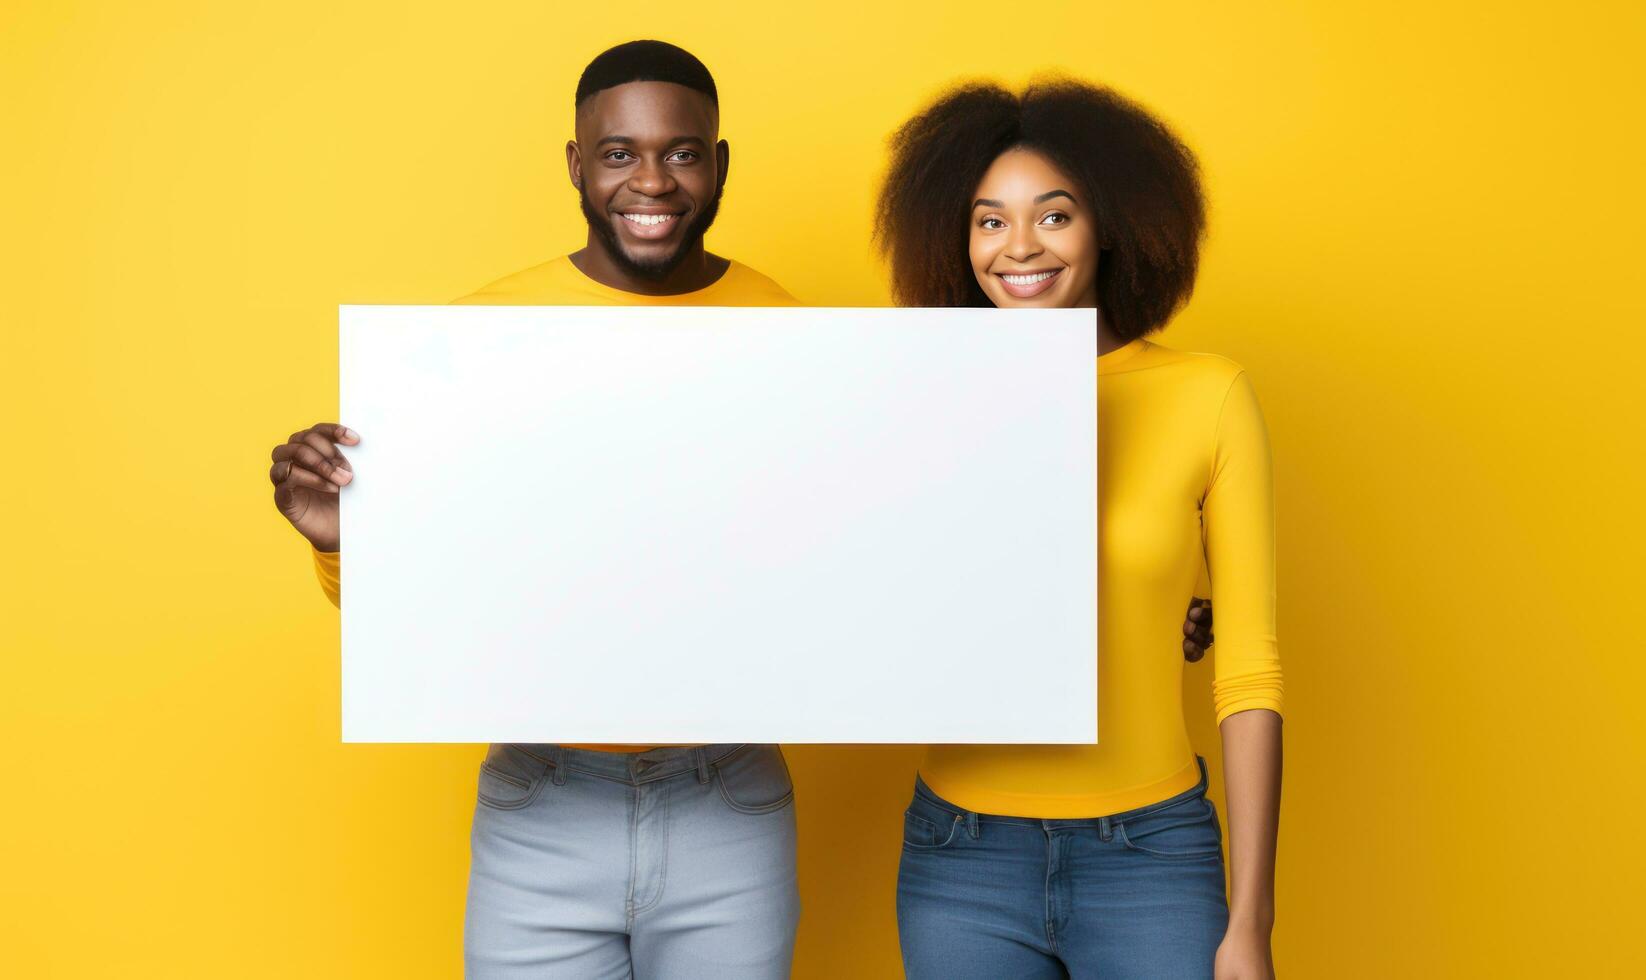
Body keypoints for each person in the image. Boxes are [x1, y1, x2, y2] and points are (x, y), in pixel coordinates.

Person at [267, 41, 800, 980]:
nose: (652, 180)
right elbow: (418, 616)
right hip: (541, 804)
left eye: (682, 153)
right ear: (576, 165)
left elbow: (832, 579)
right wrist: (350, 547)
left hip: (731, 799)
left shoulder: (798, 335)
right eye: (619, 152)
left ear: (719, 165)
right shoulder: (470, 344)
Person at [876, 79, 1284, 979]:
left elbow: (1249, 671)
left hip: (1153, 857)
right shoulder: (917, 400)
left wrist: (1251, 922)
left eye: (1054, 216)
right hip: (960, 853)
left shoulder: (1205, 395)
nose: (1019, 246)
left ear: (1112, 226)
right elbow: (861, 602)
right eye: (989, 220)